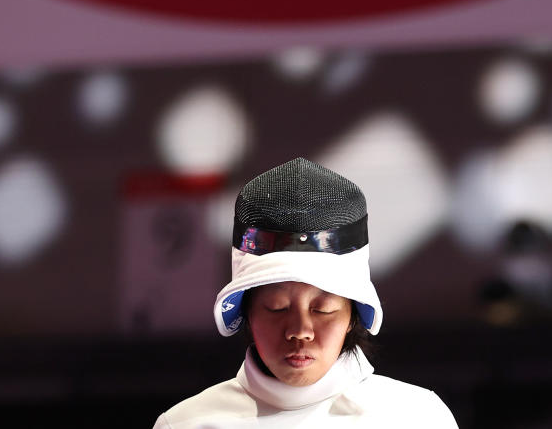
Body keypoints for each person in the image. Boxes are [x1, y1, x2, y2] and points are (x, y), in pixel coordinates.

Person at [154, 157, 459, 427]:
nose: (300, 331)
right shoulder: (186, 424)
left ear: (353, 314)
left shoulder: (417, 418)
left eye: (323, 308)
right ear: (245, 310)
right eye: (276, 307)